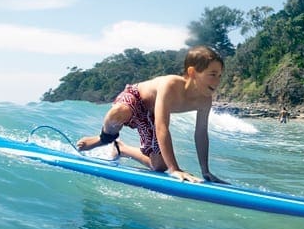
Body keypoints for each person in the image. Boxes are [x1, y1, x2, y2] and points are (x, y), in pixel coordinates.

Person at [76, 45, 227, 184]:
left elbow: (200, 133)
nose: (217, 80)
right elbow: (162, 127)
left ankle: (121, 149)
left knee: (159, 166)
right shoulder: (171, 85)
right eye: (212, 74)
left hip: (150, 114)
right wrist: (174, 169)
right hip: (136, 98)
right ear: (192, 72)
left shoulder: (205, 100)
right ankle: (105, 137)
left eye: (220, 75)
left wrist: (205, 170)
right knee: (118, 113)